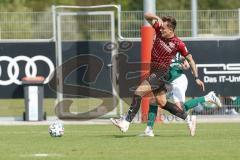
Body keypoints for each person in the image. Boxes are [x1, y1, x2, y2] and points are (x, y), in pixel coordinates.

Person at [110, 13, 205, 134]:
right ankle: (189, 119)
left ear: (170, 30)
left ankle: (126, 123)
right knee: (162, 103)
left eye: (164, 28)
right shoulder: (159, 30)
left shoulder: (178, 43)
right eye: (161, 27)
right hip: (154, 71)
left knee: (138, 92)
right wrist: (158, 18)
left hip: (160, 73)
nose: (161, 29)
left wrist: (196, 77)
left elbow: (190, 59)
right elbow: (146, 16)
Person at [143, 54, 222, 137]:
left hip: (178, 81)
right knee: (153, 101)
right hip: (168, 82)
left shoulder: (175, 47)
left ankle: (208, 97)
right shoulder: (159, 50)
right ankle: (149, 130)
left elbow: (188, 61)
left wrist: (189, 67)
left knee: (181, 109)